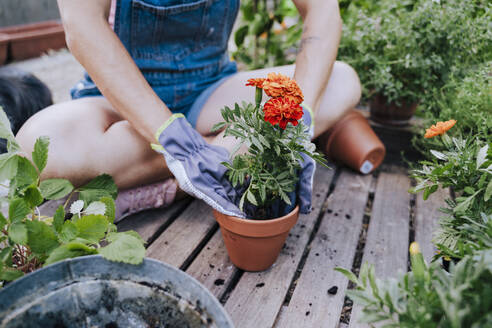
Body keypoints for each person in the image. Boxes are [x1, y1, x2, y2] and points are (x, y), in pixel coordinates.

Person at [16, 0, 361, 220]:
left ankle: (168, 185)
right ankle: (224, 157)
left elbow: (322, 9)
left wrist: (299, 120)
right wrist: (174, 138)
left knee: (338, 85)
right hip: (120, 103)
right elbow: (82, 25)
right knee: (42, 144)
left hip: (208, 93)